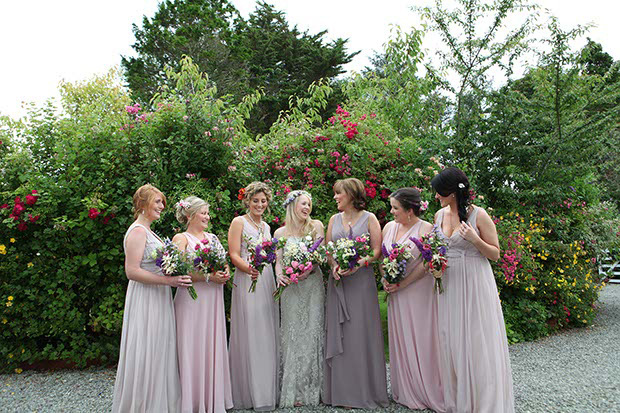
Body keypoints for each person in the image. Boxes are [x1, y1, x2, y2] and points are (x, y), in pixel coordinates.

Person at [431, 167, 514, 412]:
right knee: (452, 340)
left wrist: (475, 240)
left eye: (439, 192)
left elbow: (496, 254)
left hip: (475, 283)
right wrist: (434, 264)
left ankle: (484, 403)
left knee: (477, 343)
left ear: (452, 192)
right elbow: (439, 249)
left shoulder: (479, 215)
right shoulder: (438, 216)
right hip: (448, 285)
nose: (436, 196)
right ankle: (459, 402)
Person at [112, 184, 191, 412]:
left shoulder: (149, 231)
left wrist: (171, 271)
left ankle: (159, 402)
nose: (162, 206)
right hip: (146, 298)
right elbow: (132, 271)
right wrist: (169, 281)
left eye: (162, 202)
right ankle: (144, 404)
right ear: (143, 204)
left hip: (158, 295)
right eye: (157, 202)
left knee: (159, 348)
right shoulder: (137, 231)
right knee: (147, 347)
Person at [323, 178, 389, 409]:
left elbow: (376, 250)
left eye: (338, 193)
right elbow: (329, 250)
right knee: (341, 334)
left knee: (361, 333)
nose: (335, 197)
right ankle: (341, 393)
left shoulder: (370, 218)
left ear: (351, 194)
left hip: (361, 283)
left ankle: (364, 391)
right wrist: (333, 265)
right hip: (339, 282)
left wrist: (359, 263)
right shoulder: (333, 220)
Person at [381, 187, 445, 412]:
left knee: (422, 337)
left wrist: (403, 283)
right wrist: (386, 279)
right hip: (396, 293)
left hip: (418, 292)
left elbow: (429, 263)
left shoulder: (427, 228)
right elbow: (383, 256)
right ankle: (405, 388)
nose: (392, 212)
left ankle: (426, 387)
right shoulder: (389, 227)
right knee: (401, 336)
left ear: (410, 210)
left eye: (395, 208)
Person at [173, 196, 233, 413]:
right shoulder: (181, 238)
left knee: (211, 344)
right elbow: (177, 269)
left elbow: (224, 262)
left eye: (208, 213)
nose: (207, 217)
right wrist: (208, 277)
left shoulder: (213, 237)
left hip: (213, 300)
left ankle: (213, 400)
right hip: (192, 300)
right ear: (189, 215)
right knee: (192, 346)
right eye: (203, 213)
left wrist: (225, 272)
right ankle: (192, 402)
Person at [228, 182, 279, 411]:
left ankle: (266, 390)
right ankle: (247, 393)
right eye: (255, 200)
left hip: (265, 278)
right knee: (250, 330)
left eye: (263, 200)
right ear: (247, 201)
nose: (260, 204)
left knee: (266, 330)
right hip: (247, 277)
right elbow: (233, 254)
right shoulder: (239, 222)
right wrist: (248, 268)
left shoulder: (267, 226)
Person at [273, 190, 325, 407]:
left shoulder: (316, 227)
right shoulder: (279, 233)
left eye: (309, 205)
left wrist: (308, 269)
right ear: (292, 206)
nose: (307, 208)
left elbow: (320, 255)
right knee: (292, 335)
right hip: (291, 289)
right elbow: (278, 260)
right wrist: (279, 275)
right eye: (303, 204)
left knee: (312, 332)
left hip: (312, 285)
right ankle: (292, 391)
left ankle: (312, 391)